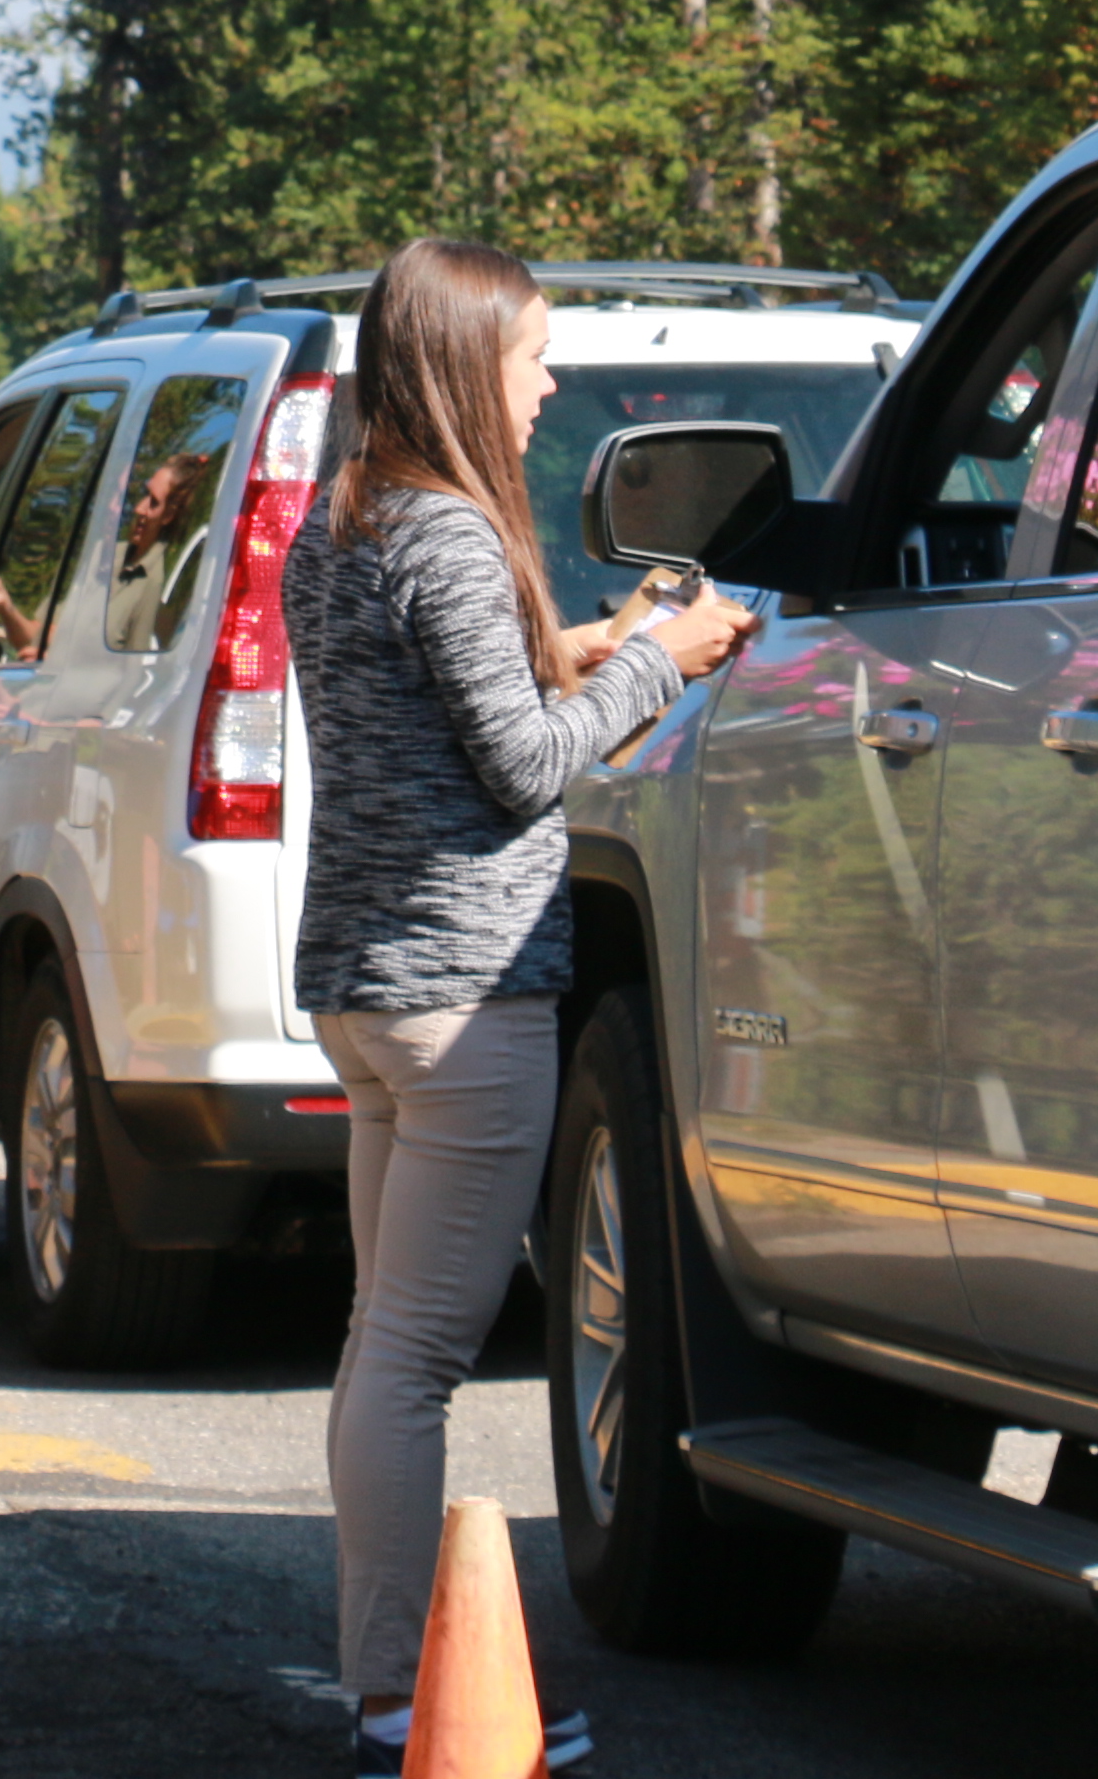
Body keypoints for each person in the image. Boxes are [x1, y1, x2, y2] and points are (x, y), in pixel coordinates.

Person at [291, 238, 760, 1777]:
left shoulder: (342, 524)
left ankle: (390, 1676)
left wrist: (585, 646)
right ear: (460, 366)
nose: (550, 383)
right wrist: (669, 665)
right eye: (533, 357)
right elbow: (524, 768)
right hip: (467, 999)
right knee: (420, 1354)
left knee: (382, 1341)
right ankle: (398, 1700)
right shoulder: (447, 534)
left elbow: (453, 700)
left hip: (368, 987)